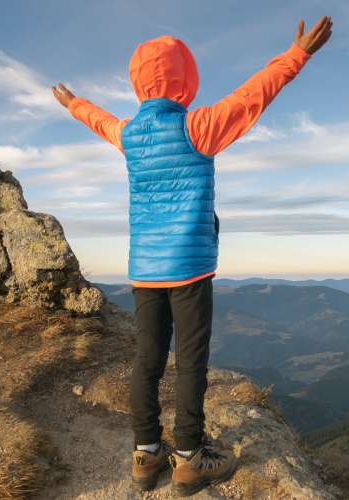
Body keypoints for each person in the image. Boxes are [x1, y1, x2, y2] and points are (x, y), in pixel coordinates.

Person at [52, 16, 333, 497]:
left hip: (143, 267)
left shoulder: (129, 135)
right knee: (191, 362)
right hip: (190, 267)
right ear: (186, 79)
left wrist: (75, 104)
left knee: (147, 359)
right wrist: (296, 56)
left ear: (138, 83)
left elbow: (101, 122)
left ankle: (145, 454)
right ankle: (188, 458)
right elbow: (251, 97)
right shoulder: (197, 127)